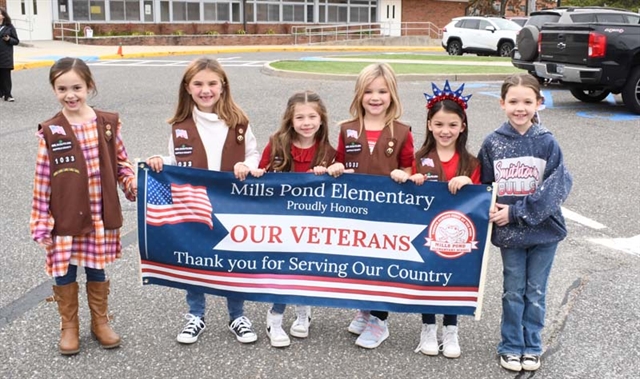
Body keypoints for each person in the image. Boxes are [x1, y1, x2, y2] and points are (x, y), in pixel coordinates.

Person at [146, 57, 260, 345]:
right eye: (198, 84)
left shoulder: (239, 123)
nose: (205, 89)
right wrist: (161, 161)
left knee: (233, 259)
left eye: (212, 83)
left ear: (223, 86)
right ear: (188, 88)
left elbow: (254, 154)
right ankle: (195, 315)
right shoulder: (180, 125)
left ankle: (237, 315)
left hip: (232, 202)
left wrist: (247, 165)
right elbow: (176, 160)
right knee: (194, 257)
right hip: (194, 203)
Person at [30, 57, 137, 355]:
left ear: (89, 86)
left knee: (96, 267)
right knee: (64, 269)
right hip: (64, 213)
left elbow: (121, 163)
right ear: (54, 90)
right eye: (62, 88)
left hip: (99, 213)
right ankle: (69, 326)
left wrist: (130, 184)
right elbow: (42, 180)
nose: (70, 94)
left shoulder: (106, 124)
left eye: (76, 87)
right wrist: (41, 220)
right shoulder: (52, 131)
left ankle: (100, 322)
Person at [477, 73, 572, 372]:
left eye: (527, 102)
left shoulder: (546, 142)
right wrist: (491, 210)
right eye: (514, 101)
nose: (520, 108)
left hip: (544, 232)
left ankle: (532, 344)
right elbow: (485, 185)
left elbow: (558, 186)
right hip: (510, 236)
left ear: (539, 104)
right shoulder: (493, 143)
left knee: (536, 291)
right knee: (513, 290)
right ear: (502, 103)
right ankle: (510, 345)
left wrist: (515, 212)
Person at [326, 62, 415, 349]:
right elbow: (338, 159)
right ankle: (364, 308)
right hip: (354, 212)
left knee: (383, 265)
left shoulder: (401, 131)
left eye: (382, 91)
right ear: (359, 95)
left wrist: (407, 174)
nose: (375, 97)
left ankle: (379, 320)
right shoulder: (347, 129)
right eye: (368, 91)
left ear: (392, 95)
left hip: (388, 213)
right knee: (359, 263)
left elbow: (410, 167)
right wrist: (336, 166)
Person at [251, 90, 337, 347]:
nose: (306, 122)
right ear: (290, 119)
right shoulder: (277, 143)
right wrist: (257, 172)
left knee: (307, 267)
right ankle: (275, 316)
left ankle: (303, 310)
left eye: (312, 116)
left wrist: (333, 170)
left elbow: (341, 183)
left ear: (321, 120)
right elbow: (262, 170)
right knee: (284, 269)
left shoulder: (328, 151)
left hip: (313, 223)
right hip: (281, 221)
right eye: (300, 117)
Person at [404, 80, 479, 359]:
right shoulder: (419, 158)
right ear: (429, 125)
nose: (445, 131)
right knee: (428, 277)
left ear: (462, 126)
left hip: (456, 237)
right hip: (425, 232)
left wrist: (468, 183)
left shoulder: (471, 163)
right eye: (438, 124)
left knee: (452, 277)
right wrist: (413, 181)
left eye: (452, 124)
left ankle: (451, 328)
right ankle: (427, 327)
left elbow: (482, 199)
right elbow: (405, 193)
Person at [0, 7, 19, 102]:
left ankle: (8, 94)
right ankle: (1, 93)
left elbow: (16, 41)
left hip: (5, 55)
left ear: (3, 16)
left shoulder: (9, 27)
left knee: (6, 75)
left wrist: (9, 39)